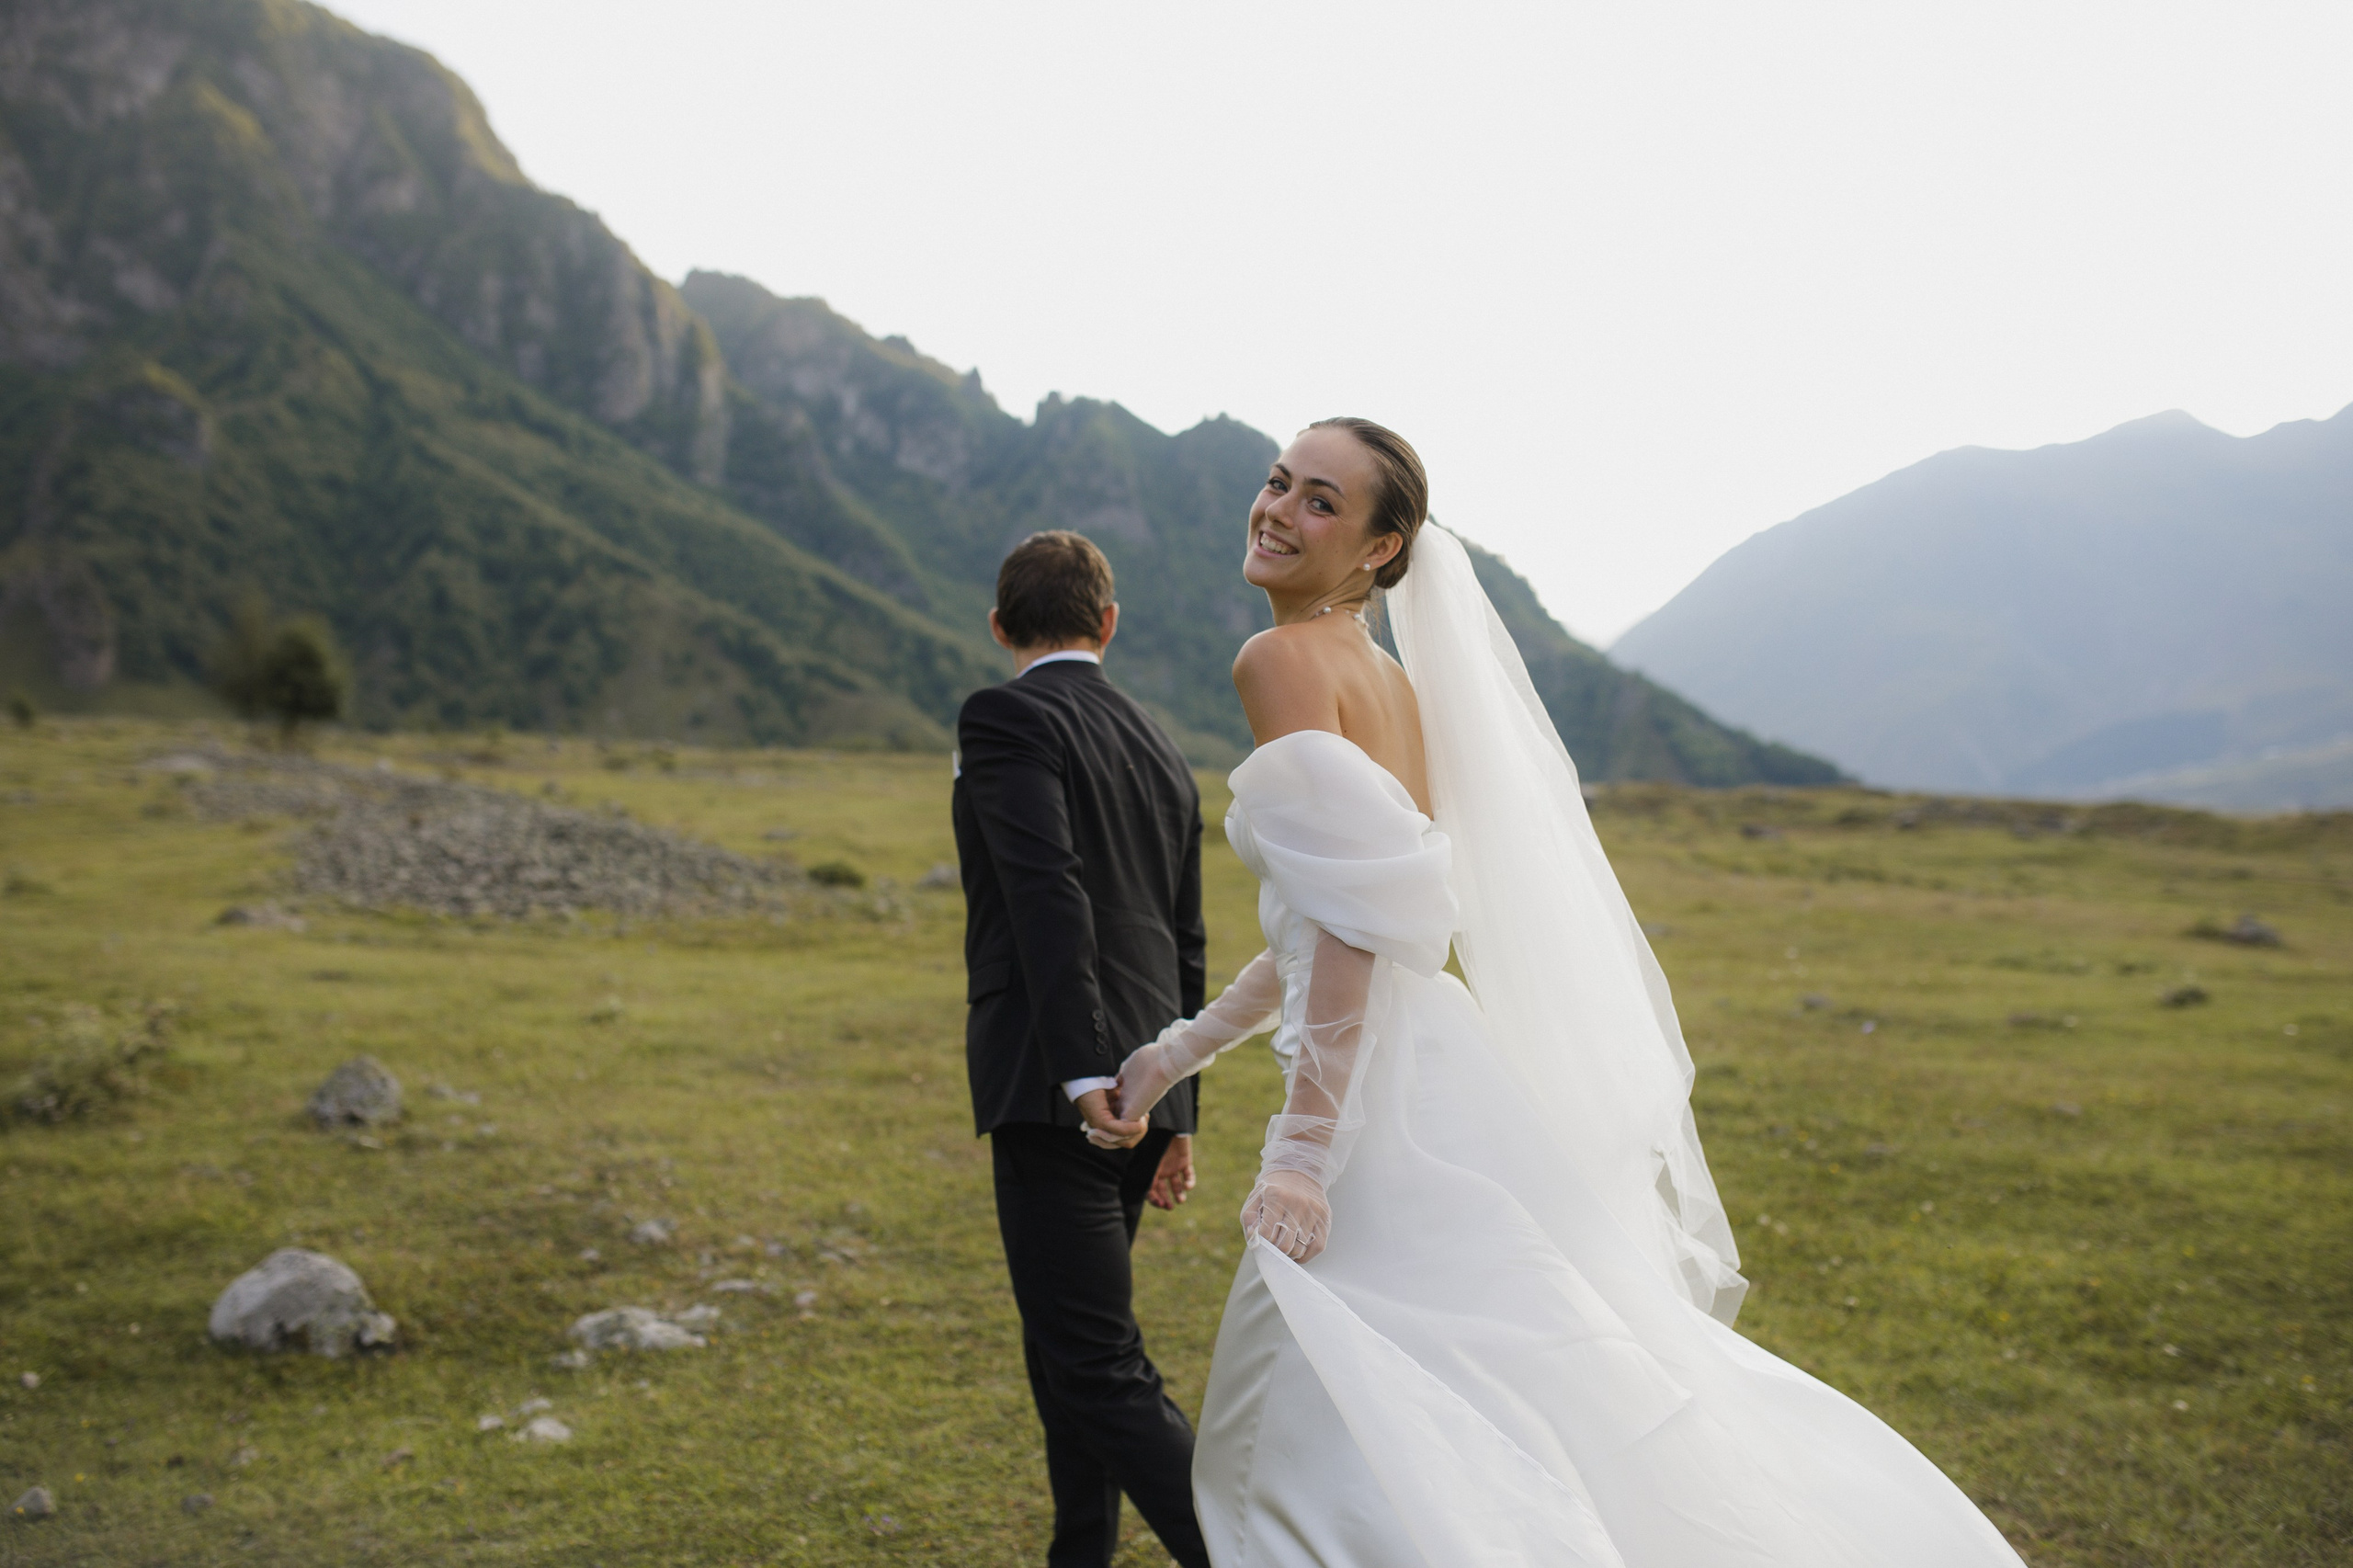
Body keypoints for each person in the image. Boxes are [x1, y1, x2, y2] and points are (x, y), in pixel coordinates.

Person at [1110, 420, 2030, 1566]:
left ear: (1380, 546)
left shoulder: (1279, 662)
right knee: (1491, 1383)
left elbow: (1348, 922)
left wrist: (1302, 1146)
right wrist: (1173, 1053)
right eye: (1276, 482)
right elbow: (1332, 919)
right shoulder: (1390, 680)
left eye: (1319, 503)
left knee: (1304, 1416)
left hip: (1370, 1105)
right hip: (1428, 1060)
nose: (1277, 510)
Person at [951, 529, 1213, 1568]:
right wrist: (1178, 1110)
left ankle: (1245, 1551)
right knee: (1066, 1346)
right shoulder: (1161, 741)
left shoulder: (1002, 712)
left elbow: (1045, 890)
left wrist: (1079, 1074)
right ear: (1108, 622)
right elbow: (1183, 933)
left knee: (1095, 1361)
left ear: (999, 626)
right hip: (1146, 1085)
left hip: (1067, 1088)